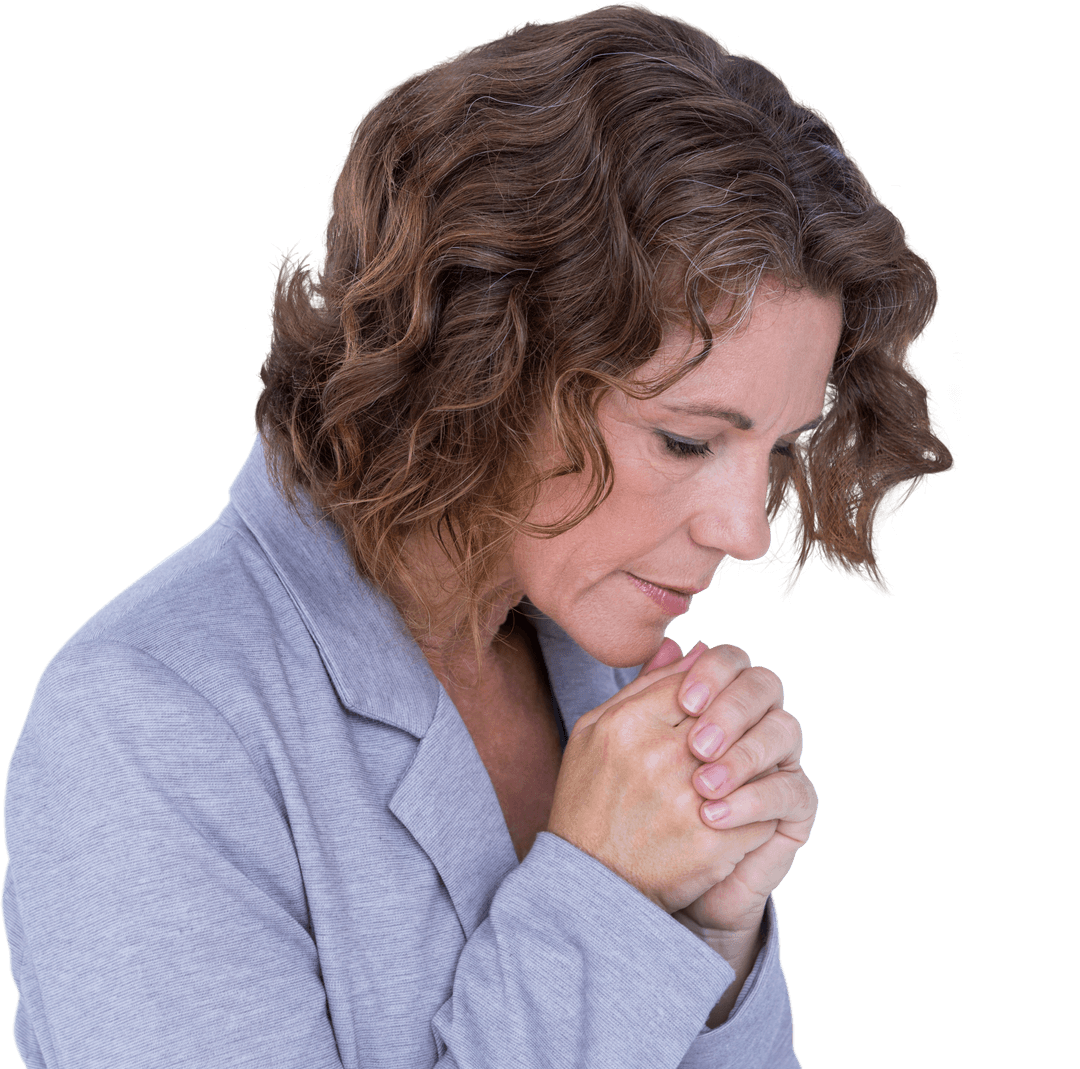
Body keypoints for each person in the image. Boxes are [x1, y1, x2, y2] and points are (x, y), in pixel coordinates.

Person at [2, 4, 954, 1067]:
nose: (744, 530)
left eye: (777, 450)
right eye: (688, 441)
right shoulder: (147, 725)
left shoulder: (589, 664)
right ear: (483, 363)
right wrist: (605, 899)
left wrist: (712, 932)